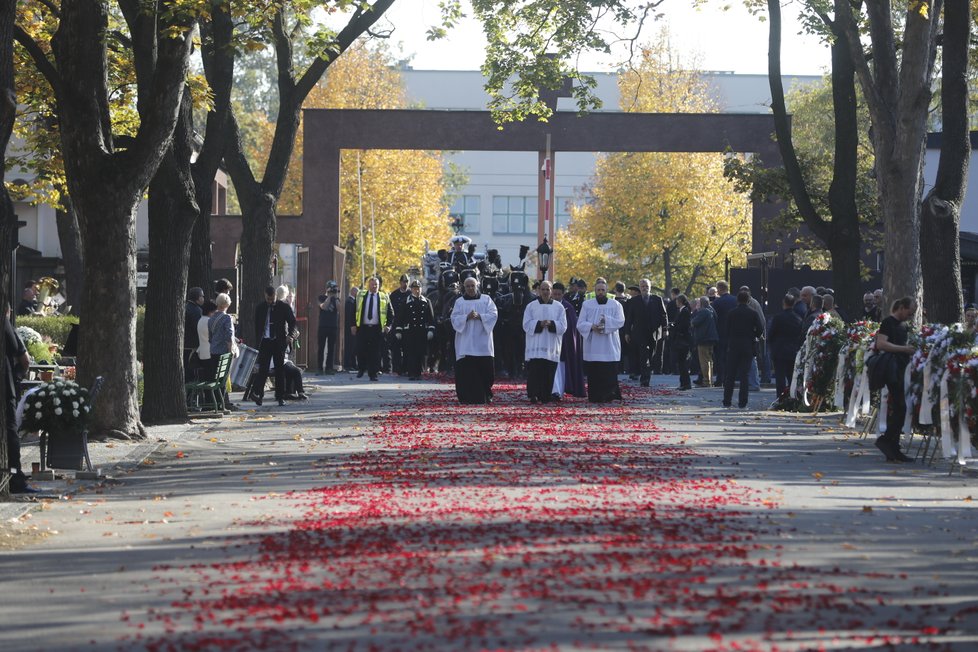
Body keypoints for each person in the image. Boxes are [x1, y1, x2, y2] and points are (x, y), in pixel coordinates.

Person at [874, 297, 917, 463]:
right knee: (900, 406)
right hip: (892, 370)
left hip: (902, 370)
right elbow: (881, 344)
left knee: (901, 407)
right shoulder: (888, 322)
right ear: (901, 307)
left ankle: (892, 446)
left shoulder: (904, 325)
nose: (910, 316)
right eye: (909, 312)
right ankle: (887, 441)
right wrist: (904, 349)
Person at [4, 309, 37, 493]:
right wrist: (17, 377)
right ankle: (15, 478)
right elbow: (24, 360)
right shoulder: (5, 322)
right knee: (11, 429)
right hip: (6, 384)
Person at [451, 276, 498, 404]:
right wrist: (466, 317)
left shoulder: (486, 300)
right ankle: (467, 397)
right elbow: (454, 318)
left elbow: (494, 314)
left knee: (487, 372)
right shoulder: (460, 302)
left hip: (483, 342)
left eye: (473, 285)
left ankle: (486, 394)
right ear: (464, 287)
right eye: (468, 286)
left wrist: (480, 316)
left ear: (477, 286)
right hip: (465, 343)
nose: (471, 288)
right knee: (466, 373)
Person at [578, 278, 626, 403]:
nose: (600, 292)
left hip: (609, 344)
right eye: (598, 290)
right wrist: (592, 326)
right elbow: (580, 323)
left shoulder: (615, 305)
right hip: (593, 345)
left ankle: (610, 395)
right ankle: (595, 396)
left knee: (609, 372)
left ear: (606, 291)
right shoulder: (587, 305)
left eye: (602, 290)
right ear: (594, 290)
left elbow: (620, 321)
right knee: (594, 373)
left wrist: (605, 325)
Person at [522, 281, 568, 403]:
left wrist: (552, 324)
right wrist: (539, 324)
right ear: (538, 291)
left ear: (551, 291)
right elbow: (525, 325)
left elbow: (563, 326)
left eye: (548, 289)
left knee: (549, 372)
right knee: (535, 372)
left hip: (551, 346)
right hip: (536, 346)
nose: (545, 292)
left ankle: (546, 395)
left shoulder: (559, 307)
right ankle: (533, 395)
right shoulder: (531, 306)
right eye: (543, 289)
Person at [251, 286, 296, 406]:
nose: (270, 301)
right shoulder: (261, 307)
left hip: (278, 341)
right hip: (265, 341)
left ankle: (280, 396)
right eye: (268, 299)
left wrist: (289, 335)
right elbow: (257, 324)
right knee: (263, 369)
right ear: (265, 295)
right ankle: (259, 394)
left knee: (279, 369)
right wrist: (258, 340)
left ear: (276, 296)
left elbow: (292, 321)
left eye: (272, 299)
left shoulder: (283, 307)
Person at [723, 290, 764, 409]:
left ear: (737, 300)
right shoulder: (753, 313)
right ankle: (743, 402)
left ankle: (727, 400)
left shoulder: (732, 313)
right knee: (744, 375)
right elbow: (760, 328)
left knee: (730, 374)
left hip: (734, 345)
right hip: (747, 344)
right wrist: (753, 334)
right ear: (748, 300)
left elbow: (726, 329)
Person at [623, 278, 668, 387]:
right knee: (644, 356)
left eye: (646, 286)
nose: (644, 288)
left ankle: (647, 373)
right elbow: (630, 318)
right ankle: (644, 379)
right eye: (642, 286)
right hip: (640, 333)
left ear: (650, 287)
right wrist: (627, 332)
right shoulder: (634, 301)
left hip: (653, 333)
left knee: (651, 356)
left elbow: (664, 315)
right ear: (640, 287)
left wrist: (665, 330)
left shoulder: (657, 299)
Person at [352, 277, 393, 382]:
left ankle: (373, 374)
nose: (374, 286)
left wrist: (388, 325)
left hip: (376, 329)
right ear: (368, 285)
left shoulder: (384, 297)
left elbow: (391, 313)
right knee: (360, 349)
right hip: (363, 328)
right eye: (372, 284)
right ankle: (361, 368)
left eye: (376, 285)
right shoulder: (360, 296)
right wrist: (353, 325)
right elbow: (353, 311)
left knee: (375, 353)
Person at [551, 282, 587, 399]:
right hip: (550, 342)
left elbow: (572, 328)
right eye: (554, 294)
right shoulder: (548, 305)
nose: (556, 297)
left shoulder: (568, 307)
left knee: (561, 369)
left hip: (564, 343)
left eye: (558, 294)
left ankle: (559, 392)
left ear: (562, 294)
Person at [395, 279, 436, 380]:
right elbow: (400, 318)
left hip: (422, 331)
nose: (417, 291)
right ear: (411, 289)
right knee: (410, 352)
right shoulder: (406, 302)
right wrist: (399, 330)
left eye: (418, 288)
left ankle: (418, 372)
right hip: (409, 331)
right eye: (414, 289)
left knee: (420, 352)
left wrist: (431, 330)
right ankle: (411, 373)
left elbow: (431, 318)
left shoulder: (427, 302)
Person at [768, 294, 803, 398]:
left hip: (779, 350)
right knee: (791, 376)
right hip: (792, 351)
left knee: (780, 376)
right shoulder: (798, 318)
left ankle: (780, 397)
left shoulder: (778, 318)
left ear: (784, 303)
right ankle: (792, 397)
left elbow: (771, 334)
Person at [208, 293, 238, 410]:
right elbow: (229, 336)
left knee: (215, 378)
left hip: (213, 351)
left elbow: (210, 336)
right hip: (224, 352)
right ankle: (222, 404)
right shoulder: (226, 318)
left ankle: (217, 403)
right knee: (223, 379)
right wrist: (231, 351)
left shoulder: (212, 318)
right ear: (226, 304)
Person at [711, 280, 738, 388]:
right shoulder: (735, 300)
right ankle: (730, 378)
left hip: (721, 332)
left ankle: (720, 379)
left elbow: (714, 318)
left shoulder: (717, 302)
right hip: (734, 333)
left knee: (720, 357)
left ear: (719, 289)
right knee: (731, 357)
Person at [691, 297, 718, 387]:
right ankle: (710, 380)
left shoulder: (703, 311)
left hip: (703, 339)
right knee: (710, 360)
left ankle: (706, 381)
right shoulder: (711, 310)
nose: (697, 306)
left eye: (698, 304)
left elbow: (694, 322)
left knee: (704, 361)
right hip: (711, 338)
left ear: (702, 304)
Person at [388, 274, 411, 375]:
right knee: (396, 347)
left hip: (407, 324)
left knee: (407, 347)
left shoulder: (410, 294)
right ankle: (396, 367)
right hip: (396, 323)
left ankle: (406, 367)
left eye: (406, 282)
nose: (405, 284)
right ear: (400, 283)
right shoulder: (394, 295)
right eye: (403, 282)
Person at [671, 294, 693, 390]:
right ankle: (683, 383)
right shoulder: (681, 311)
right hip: (680, 340)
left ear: (680, 301)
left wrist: (674, 327)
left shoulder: (685, 311)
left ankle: (686, 383)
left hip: (683, 340)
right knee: (681, 363)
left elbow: (683, 326)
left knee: (682, 363)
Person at [317, 281, 340, 374]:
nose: (333, 291)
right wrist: (329, 297)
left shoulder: (337, 299)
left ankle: (329, 368)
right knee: (321, 348)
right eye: (331, 289)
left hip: (333, 326)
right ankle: (319, 368)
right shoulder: (321, 297)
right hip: (322, 326)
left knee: (331, 348)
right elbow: (323, 307)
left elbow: (339, 309)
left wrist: (335, 297)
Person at [184, 287, 205, 381]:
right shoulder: (196, 310)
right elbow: (199, 328)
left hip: (185, 345)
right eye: (202, 296)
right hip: (192, 346)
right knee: (191, 372)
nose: (203, 298)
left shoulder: (186, 307)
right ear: (198, 298)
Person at [194, 300, 217, 382]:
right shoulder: (209, 321)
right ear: (211, 311)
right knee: (211, 378)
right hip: (210, 354)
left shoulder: (200, 320)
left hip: (202, 352)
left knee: (206, 378)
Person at [344, 286, 359, 371]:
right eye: (357, 292)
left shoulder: (351, 301)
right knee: (350, 347)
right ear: (353, 292)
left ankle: (353, 364)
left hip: (350, 328)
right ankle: (349, 364)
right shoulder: (350, 302)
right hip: (350, 328)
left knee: (353, 346)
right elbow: (350, 316)